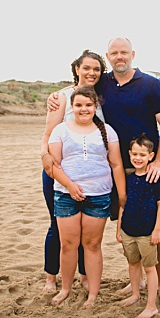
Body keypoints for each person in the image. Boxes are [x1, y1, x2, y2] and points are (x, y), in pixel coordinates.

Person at [49, 37, 160, 308]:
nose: (120, 57)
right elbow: (80, 85)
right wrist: (57, 97)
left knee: (158, 227)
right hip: (117, 169)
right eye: (114, 53)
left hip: (146, 166)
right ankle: (137, 281)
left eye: (124, 52)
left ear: (133, 54)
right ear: (109, 56)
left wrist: (159, 161)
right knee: (129, 226)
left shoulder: (151, 85)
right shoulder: (104, 83)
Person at [47, 85, 127, 307]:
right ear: (72, 107)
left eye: (89, 105)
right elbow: (53, 166)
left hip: (99, 195)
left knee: (92, 244)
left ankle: (93, 294)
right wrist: (71, 186)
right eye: (79, 105)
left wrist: (122, 197)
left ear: (95, 106)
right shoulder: (60, 130)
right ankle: (65, 289)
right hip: (65, 195)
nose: (84, 109)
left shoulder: (107, 131)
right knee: (68, 244)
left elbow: (117, 165)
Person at [40, 50, 105, 294]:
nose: (91, 73)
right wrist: (45, 156)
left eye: (97, 69)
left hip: (89, 176)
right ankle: (50, 276)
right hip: (58, 172)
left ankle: (84, 275)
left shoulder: (100, 99)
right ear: (76, 68)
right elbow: (47, 134)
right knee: (58, 226)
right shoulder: (62, 97)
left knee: (84, 228)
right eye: (86, 67)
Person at [116, 135, 160, 318]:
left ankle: (151, 306)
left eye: (142, 154)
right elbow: (123, 204)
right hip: (129, 230)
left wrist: (156, 230)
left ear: (151, 156)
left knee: (149, 268)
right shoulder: (129, 178)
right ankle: (135, 294)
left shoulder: (154, 178)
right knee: (132, 264)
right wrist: (119, 228)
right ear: (129, 154)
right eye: (135, 154)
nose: (138, 158)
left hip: (147, 232)